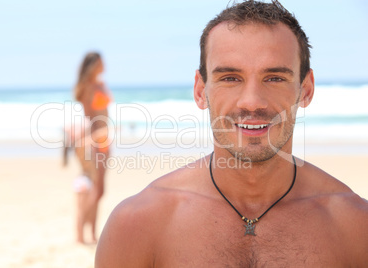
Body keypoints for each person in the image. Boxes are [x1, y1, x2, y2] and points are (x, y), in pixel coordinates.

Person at [95, 1, 368, 266]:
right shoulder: (138, 225)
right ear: (200, 91)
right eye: (230, 78)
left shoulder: (356, 227)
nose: (251, 102)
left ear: (305, 90)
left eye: (274, 78)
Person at [64, 52, 112, 244]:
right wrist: (87, 140)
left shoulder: (101, 85)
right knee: (91, 187)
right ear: (92, 65)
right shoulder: (86, 87)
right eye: (100, 63)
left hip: (104, 138)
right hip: (93, 139)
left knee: (100, 190)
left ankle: (92, 234)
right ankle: (80, 233)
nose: (104, 65)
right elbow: (88, 117)